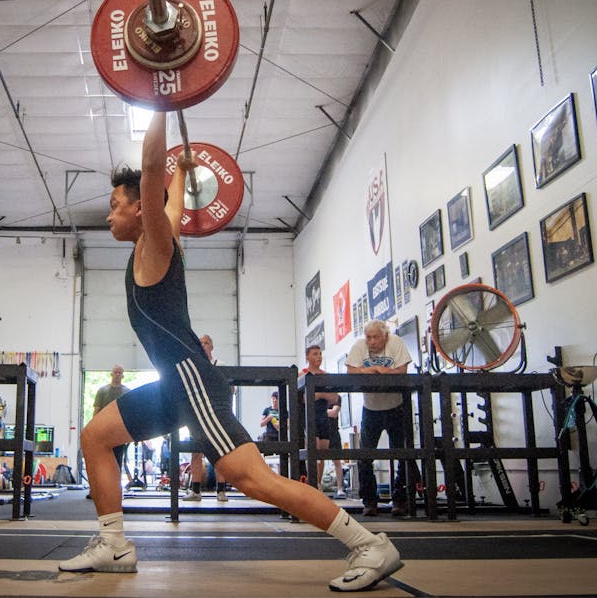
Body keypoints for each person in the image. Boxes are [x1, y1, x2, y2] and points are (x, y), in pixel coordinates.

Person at [60, 111, 402, 592]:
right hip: (171, 385)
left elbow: (154, 176)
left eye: (116, 204)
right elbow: (171, 195)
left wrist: (159, 99)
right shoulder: (161, 234)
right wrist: (183, 169)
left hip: (193, 382)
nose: (109, 213)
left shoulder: (156, 241)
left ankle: (369, 544)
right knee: (96, 436)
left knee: (251, 479)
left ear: (141, 210)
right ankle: (113, 544)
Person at [345, 320, 418, 517]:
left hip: (396, 406)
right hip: (371, 408)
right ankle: (370, 501)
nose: (372, 341)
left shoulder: (395, 343)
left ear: (385, 336)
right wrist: (365, 370)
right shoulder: (359, 346)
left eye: (376, 337)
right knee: (365, 455)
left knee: (402, 454)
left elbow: (402, 371)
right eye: (368, 337)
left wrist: (387, 371)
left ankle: (400, 500)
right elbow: (350, 371)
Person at [184, 334, 229, 503]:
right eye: (201, 343)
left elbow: (230, 389)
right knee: (196, 453)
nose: (203, 345)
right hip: (197, 415)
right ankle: (195, 490)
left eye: (206, 343)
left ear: (212, 346)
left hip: (217, 415)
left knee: (220, 453)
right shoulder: (193, 366)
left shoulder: (221, 365)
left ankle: (221, 491)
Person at [302, 345, 345, 498]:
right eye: (315, 354)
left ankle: (318, 484)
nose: (319, 357)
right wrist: (321, 394)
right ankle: (312, 483)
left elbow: (334, 397)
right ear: (307, 357)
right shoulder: (303, 375)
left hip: (322, 415)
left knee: (323, 452)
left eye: (320, 354)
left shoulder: (325, 376)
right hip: (309, 416)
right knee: (313, 449)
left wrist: (319, 394)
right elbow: (305, 398)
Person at [87, 365, 131, 498]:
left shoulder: (127, 392)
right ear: (111, 374)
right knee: (100, 462)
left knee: (117, 462)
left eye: (119, 373)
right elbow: (97, 411)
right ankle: (96, 490)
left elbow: (129, 413)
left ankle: (115, 491)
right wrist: (92, 429)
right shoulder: (102, 391)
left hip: (118, 433)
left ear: (122, 376)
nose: (117, 374)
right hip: (103, 431)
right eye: (115, 372)